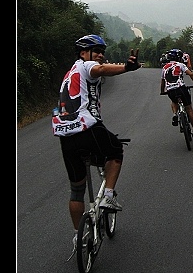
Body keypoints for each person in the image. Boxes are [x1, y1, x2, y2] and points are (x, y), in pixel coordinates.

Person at [52, 34, 141, 252]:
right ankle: (108, 196)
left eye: (102, 51)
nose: (100, 55)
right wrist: (126, 68)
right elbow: (99, 70)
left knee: (76, 190)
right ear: (83, 53)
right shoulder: (86, 66)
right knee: (116, 151)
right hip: (87, 126)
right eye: (96, 51)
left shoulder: (69, 73)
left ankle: (78, 236)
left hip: (65, 134)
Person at [160, 48, 193, 137]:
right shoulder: (180, 65)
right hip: (181, 88)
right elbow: (191, 74)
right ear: (178, 58)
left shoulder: (165, 67)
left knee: (174, 102)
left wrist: (162, 91)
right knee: (189, 109)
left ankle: (175, 114)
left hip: (170, 90)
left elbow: (163, 81)